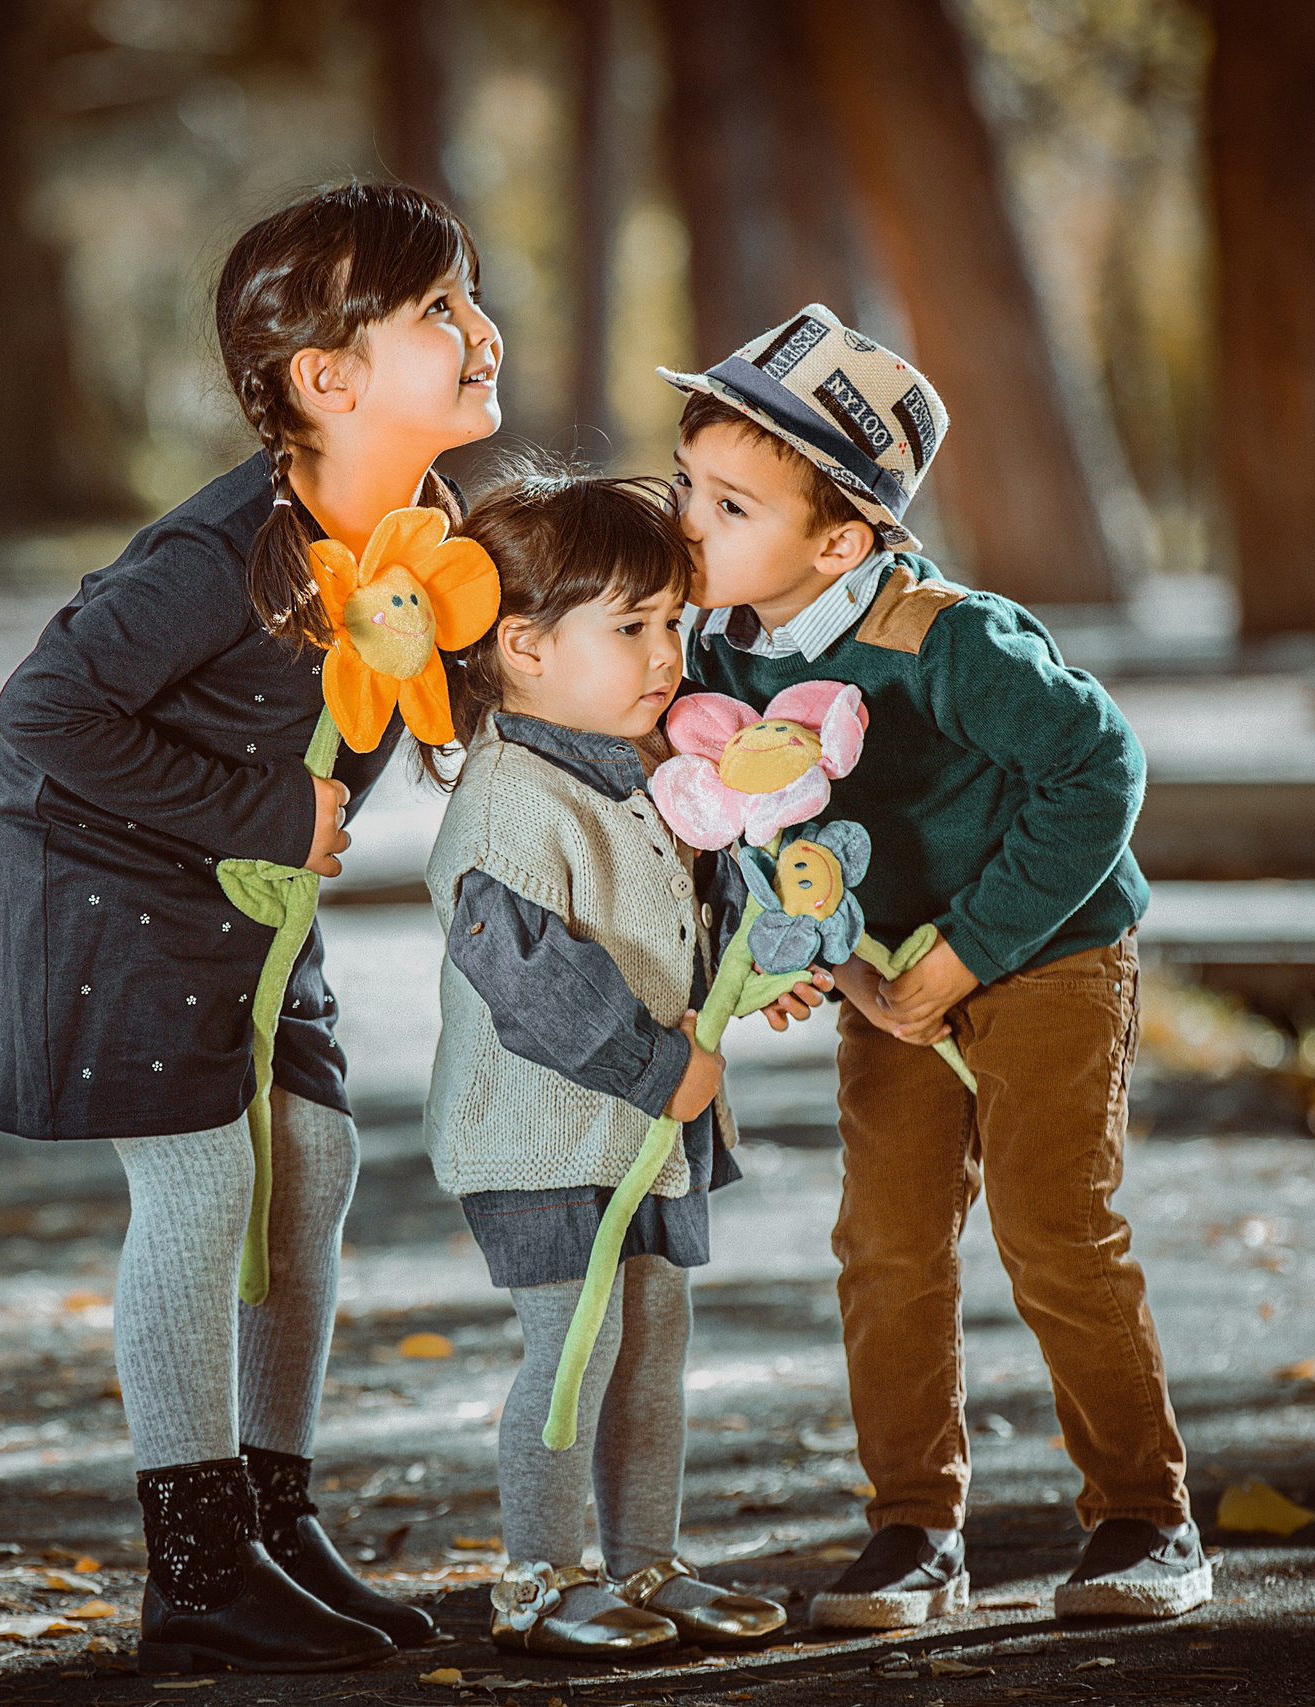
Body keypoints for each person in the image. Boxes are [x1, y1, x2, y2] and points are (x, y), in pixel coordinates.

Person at [0, 182, 501, 1674]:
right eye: (437, 311)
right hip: (110, 877)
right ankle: (193, 1567)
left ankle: (272, 1510)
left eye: (470, 298)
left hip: (242, 891)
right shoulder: (217, 557)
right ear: (327, 380)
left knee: (309, 1155)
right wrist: (263, 819)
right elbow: (46, 707)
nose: (479, 329)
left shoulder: (414, 529)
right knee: (202, 1183)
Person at [661, 305, 1209, 1624]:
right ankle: (915, 1530)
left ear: (840, 539)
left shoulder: (946, 638)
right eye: (686, 482)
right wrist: (783, 942)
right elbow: (746, 812)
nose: (688, 520)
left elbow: (1099, 769)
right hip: (890, 970)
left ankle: (1148, 1516)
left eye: (730, 504)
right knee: (886, 1244)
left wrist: (963, 955)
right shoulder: (718, 647)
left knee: (1052, 1226)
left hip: (1046, 949)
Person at [421, 470, 809, 1659]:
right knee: (573, 1347)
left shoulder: (632, 765)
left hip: (648, 1134)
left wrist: (760, 955)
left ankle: (644, 1568)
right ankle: (538, 1579)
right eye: (631, 628)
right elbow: (530, 975)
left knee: (650, 1351)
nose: (665, 653)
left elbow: (683, 900)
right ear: (523, 647)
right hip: (550, 1134)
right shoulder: (507, 803)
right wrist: (656, 1067)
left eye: (671, 625)